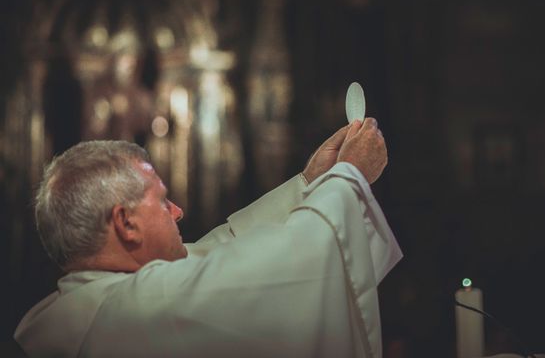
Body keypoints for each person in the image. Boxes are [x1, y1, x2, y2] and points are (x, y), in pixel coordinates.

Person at [15, 118, 402, 357]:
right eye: (163, 201)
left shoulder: (86, 306)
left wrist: (310, 183)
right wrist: (349, 176)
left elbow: (221, 253)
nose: (177, 211)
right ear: (126, 224)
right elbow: (277, 272)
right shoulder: (136, 310)